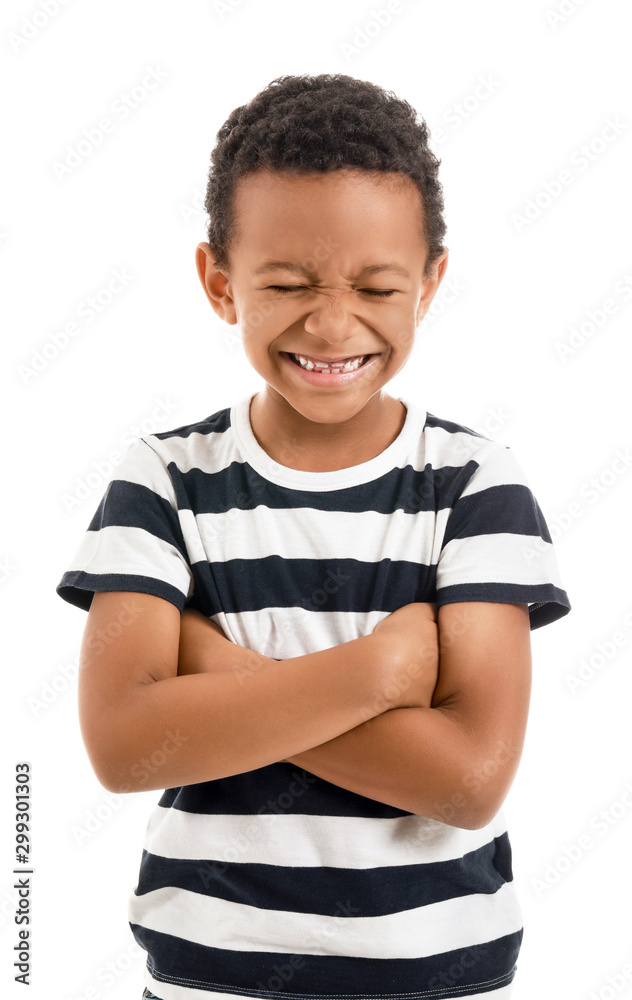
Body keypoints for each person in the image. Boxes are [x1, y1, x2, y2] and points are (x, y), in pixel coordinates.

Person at [56, 73, 571, 1000]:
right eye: (287, 283)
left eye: (377, 286)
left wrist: (208, 671)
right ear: (220, 282)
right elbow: (126, 747)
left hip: (438, 978)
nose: (332, 323)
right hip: (210, 979)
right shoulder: (163, 480)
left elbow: (468, 782)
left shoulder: (475, 485)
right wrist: (373, 675)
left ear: (431, 283)